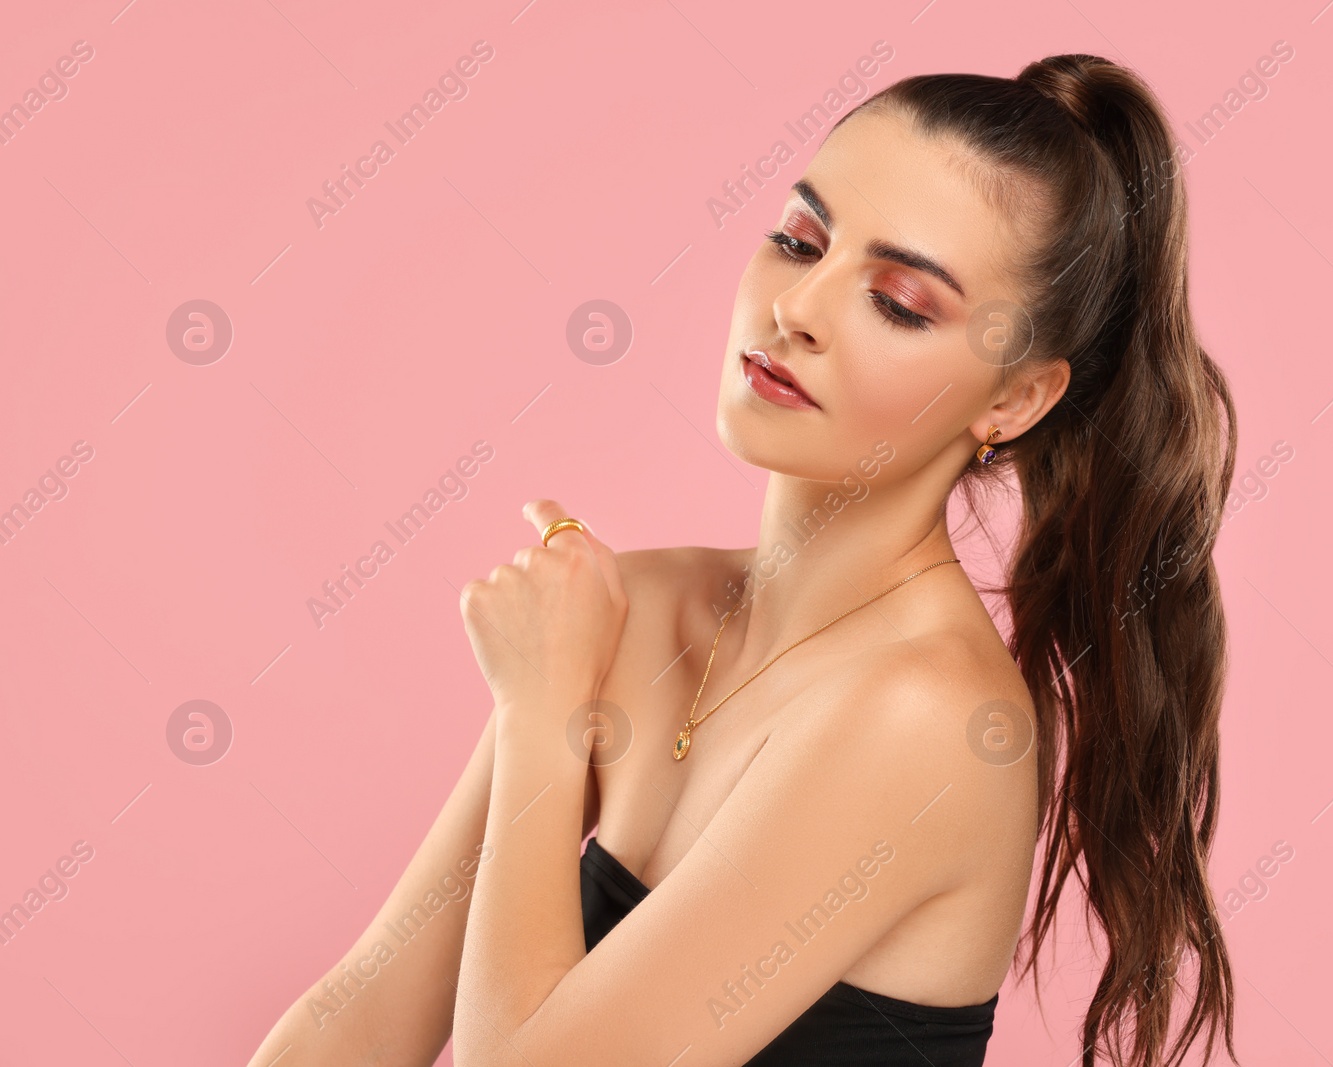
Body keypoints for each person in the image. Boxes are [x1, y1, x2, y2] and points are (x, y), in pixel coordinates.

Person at [247, 52, 1239, 1067]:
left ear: (1013, 399)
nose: (795, 307)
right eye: (800, 239)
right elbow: (354, 1025)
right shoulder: (631, 609)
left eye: (897, 299)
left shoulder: (925, 714)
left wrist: (542, 713)